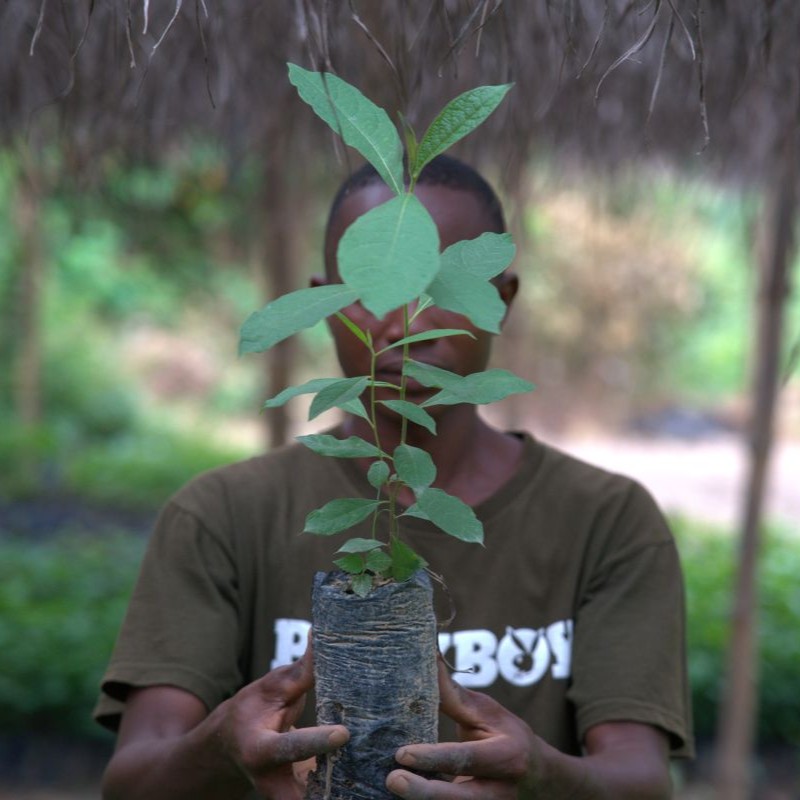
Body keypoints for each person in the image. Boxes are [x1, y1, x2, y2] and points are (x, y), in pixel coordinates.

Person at [96, 155, 693, 799]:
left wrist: (541, 776)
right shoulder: (220, 516)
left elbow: (641, 781)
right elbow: (131, 781)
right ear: (326, 301)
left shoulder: (606, 521)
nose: (408, 320)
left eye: (444, 284)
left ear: (500, 298)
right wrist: (219, 747)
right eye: (375, 285)